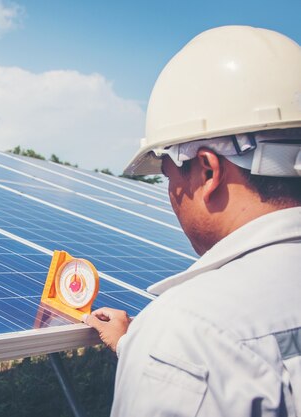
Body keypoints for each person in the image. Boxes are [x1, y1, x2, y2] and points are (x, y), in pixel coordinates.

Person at [84, 25, 301, 416]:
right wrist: (139, 346)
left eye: (168, 175)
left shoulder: (187, 337)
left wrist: (164, 360)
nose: (170, 196)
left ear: (206, 172)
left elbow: (214, 347)